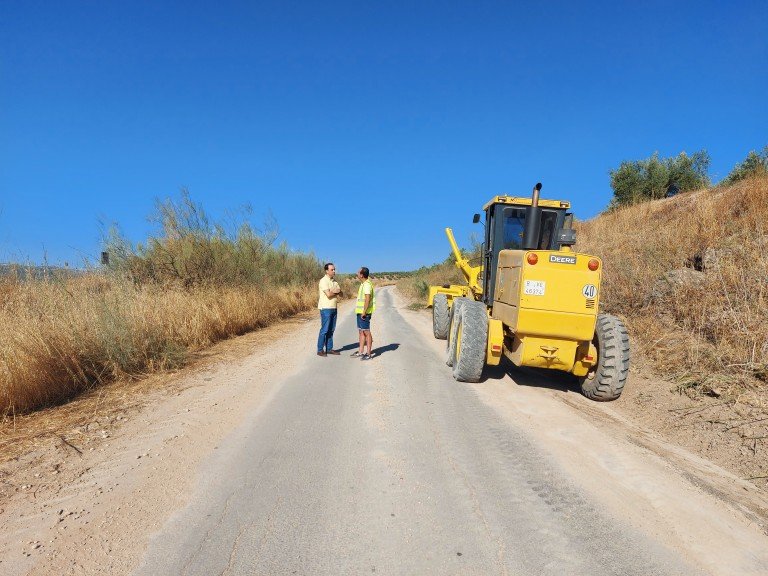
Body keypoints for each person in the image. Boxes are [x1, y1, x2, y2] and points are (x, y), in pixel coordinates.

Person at [317, 262, 341, 357]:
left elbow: (341, 292)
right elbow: (329, 294)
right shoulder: (323, 281)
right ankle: (320, 350)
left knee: (331, 329)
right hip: (326, 308)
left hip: (334, 308)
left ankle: (329, 348)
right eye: (332, 269)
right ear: (327, 271)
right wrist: (335, 291)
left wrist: (334, 291)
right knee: (325, 329)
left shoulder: (334, 281)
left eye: (334, 269)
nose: (334, 271)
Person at [353, 267, 376, 360]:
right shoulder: (363, 284)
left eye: (358, 272)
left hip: (364, 313)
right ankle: (360, 351)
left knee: (366, 331)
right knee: (361, 331)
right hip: (360, 312)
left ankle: (368, 353)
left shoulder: (366, 285)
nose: (356, 273)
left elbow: (367, 299)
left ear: (362, 275)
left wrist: (364, 312)